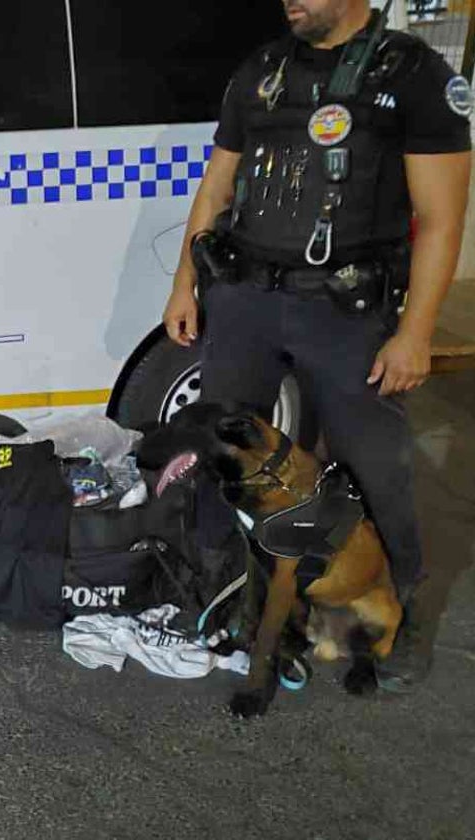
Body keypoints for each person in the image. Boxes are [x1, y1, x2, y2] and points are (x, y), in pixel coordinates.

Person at [163, 0, 471, 691]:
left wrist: (416, 332)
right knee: (223, 454)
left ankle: (401, 615)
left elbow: (442, 217)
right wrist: (185, 284)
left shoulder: (414, 75)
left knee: (373, 466)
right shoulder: (263, 71)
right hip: (244, 298)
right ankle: (226, 597)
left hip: (346, 312)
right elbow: (216, 184)